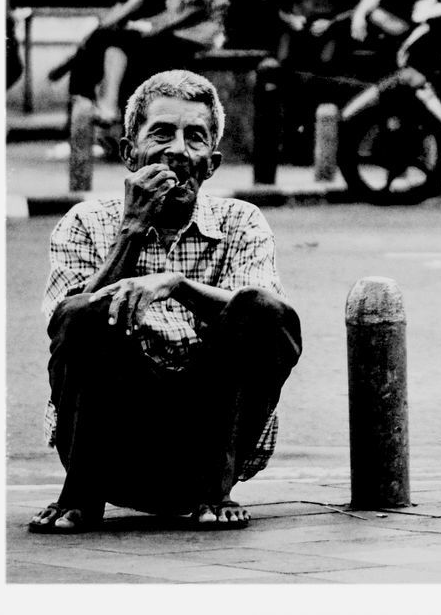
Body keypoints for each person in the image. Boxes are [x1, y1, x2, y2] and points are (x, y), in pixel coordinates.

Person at [29, 70, 302, 534]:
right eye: (161, 134)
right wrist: (131, 232)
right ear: (128, 153)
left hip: (210, 449)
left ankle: (214, 492)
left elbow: (267, 319)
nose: (178, 150)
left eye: (194, 137)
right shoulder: (85, 222)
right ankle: (80, 495)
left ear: (211, 163)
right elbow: (65, 328)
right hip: (108, 448)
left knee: (264, 311)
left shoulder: (241, 222)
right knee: (83, 315)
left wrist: (176, 284)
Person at [58, 0, 170, 158]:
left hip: (150, 30)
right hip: (128, 30)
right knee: (87, 53)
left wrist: (105, 26)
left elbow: (136, 1)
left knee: (105, 42)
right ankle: (81, 130)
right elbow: (120, 4)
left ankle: (102, 113)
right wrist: (97, 28)